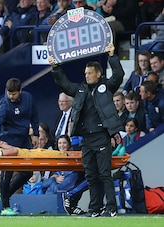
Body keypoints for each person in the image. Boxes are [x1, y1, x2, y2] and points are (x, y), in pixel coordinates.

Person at [48, 43, 124, 217]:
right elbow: (65, 85)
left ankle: (111, 208)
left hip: (101, 137)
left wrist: (112, 56)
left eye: (90, 73)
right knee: (91, 176)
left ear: (98, 74)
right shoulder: (80, 89)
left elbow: (119, 76)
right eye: (85, 73)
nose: (87, 75)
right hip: (86, 139)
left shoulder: (106, 87)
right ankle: (95, 209)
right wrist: (55, 68)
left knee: (105, 174)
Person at [0, 77, 39, 216]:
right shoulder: (4, 103)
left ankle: (6, 194)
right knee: (7, 172)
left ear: (20, 91)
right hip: (8, 139)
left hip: (23, 139)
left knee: (27, 172)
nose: (11, 96)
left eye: (14, 94)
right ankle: (5, 208)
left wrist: (35, 134)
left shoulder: (28, 98)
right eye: (9, 93)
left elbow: (34, 116)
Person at [41, 135, 86, 215]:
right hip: (45, 203)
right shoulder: (55, 161)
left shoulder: (73, 171)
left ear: (69, 144)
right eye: (60, 143)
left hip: (58, 205)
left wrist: (52, 180)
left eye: (64, 143)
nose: (62, 145)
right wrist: (54, 178)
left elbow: (58, 190)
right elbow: (43, 185)